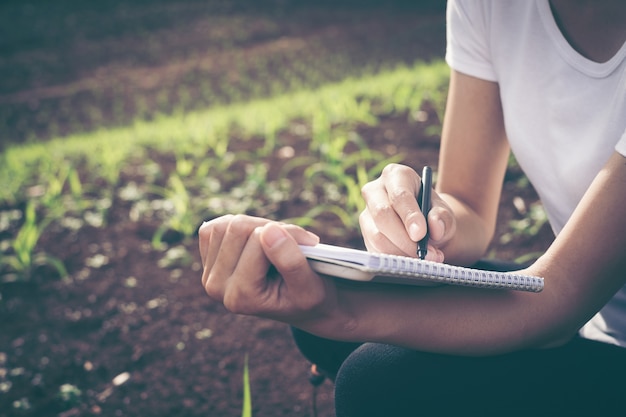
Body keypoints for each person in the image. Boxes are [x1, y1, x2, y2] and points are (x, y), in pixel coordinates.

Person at [198, 0, 626, 415]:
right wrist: (430, 221)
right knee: (331, 331)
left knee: (380, 380)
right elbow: (469, 207)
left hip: (573, 303)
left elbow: (561, 298)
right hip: (592, 315)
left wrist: (344, 312)